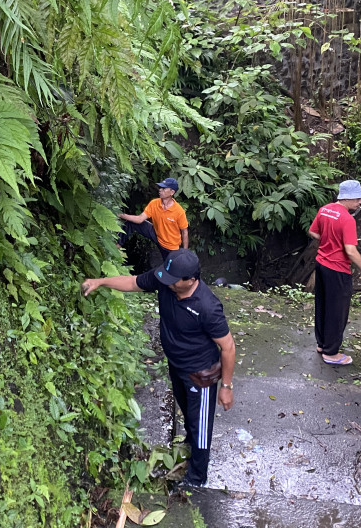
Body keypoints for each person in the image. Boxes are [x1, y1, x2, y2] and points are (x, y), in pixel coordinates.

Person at [81, 250, 236, 491]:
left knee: (201, 425)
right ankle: (190, 442)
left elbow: (227, 346)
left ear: (191, 280)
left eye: (174, 279)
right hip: (177, 365)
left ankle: (196, 479)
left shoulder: (207, 306)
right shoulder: (166, 279)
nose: (167, 281)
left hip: (202, 373)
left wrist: (226, 386)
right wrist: (100, 282)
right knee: (187, 411)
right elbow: (133, 282)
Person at [307, 180, 361, 365]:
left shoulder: (325, 210)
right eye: (358, 199)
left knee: (322, 305)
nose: (360, 203)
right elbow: (351, 251)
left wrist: (329, 241)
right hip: (338, 269)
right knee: (337, 312)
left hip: (321, 265)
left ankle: (322, 344)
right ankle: (331, 353)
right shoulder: (347, 219)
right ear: (347, 198)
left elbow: (313, 232)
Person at [117, 178, 189, 262]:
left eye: (164, 188)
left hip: (170, 246)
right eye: (160, 187)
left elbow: (184, 232)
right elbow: (140, 219)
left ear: (172, 192)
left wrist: (185, 252)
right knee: (131, 222)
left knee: (170, 270)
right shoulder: (154, 203)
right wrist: (120, 214)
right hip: (155, 234)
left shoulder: (179, 211)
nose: (160, 190)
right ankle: (117, 246)